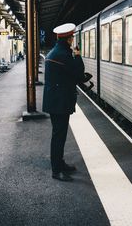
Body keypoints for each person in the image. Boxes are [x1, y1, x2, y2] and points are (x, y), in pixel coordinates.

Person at [42, 23, 85, 182]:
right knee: (58, 136)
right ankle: (56, 170)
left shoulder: (55, 52)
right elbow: (79, 73)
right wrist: (78, 55)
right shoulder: (64, 55)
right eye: (72, 37)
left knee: (59, 135)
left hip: (56, 100)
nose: (73, 39)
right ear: (68, 39)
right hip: (59, 102)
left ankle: (60, 164)